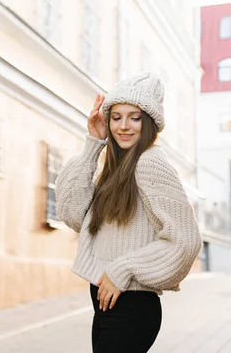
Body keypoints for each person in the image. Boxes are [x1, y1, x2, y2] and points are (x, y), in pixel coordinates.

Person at [55, 72, 203, 353]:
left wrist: (122, 269)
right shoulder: (116, 168)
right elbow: (72, 213)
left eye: (134, 117)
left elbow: (186, 239)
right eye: (116, 117)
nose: (124, 126)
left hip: (132, 306)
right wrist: (92, 144)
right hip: (108, 303)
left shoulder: (150, 163)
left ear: (148, 123)